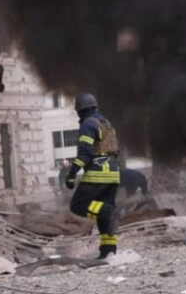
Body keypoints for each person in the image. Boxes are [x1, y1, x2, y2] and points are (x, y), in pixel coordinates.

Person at [65, 93, 121, 258]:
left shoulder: (88, 125)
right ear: (95, 107)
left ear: (80, 111)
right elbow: (116, 150)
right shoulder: (106, 124)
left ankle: (110, 212)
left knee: (78, 205)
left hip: (98, 173)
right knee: (104, 218)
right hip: (113, 172)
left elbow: (85, 153)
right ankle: (108, 252)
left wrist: (71, 174)